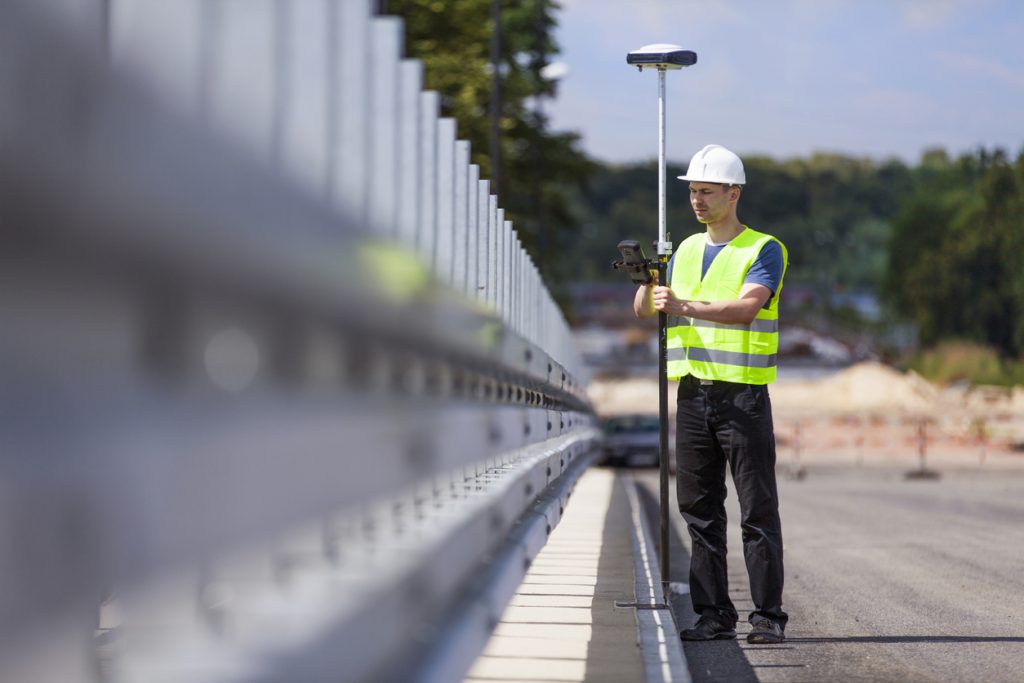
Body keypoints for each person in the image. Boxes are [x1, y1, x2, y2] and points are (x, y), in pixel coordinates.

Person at [633, 144, 789, 644]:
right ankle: (713, 615)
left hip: (743, 398)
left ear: (733, 193)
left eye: (706, 191)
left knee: (756, 510)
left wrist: (682, 303)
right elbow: (646, 309)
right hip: (694, 396)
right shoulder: (684, 250)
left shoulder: (764, 248)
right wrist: (650, 280)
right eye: (692, 191)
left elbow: (747, 309)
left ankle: (767, 617)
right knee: (699, 510)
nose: (696, 200)